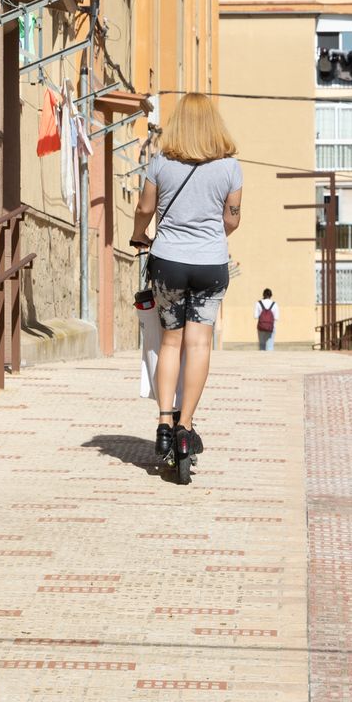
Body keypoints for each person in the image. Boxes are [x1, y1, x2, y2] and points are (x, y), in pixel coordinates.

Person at [130, 93, 242, 462]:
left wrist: (140, 234)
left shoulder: (160, 163)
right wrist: (209, 235)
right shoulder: (230, 167)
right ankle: (186, 426)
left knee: (171, 343)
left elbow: (145, 208)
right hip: (211, 265)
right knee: (198, 345)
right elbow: (232, 219)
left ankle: (164, 422)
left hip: (168, 262)